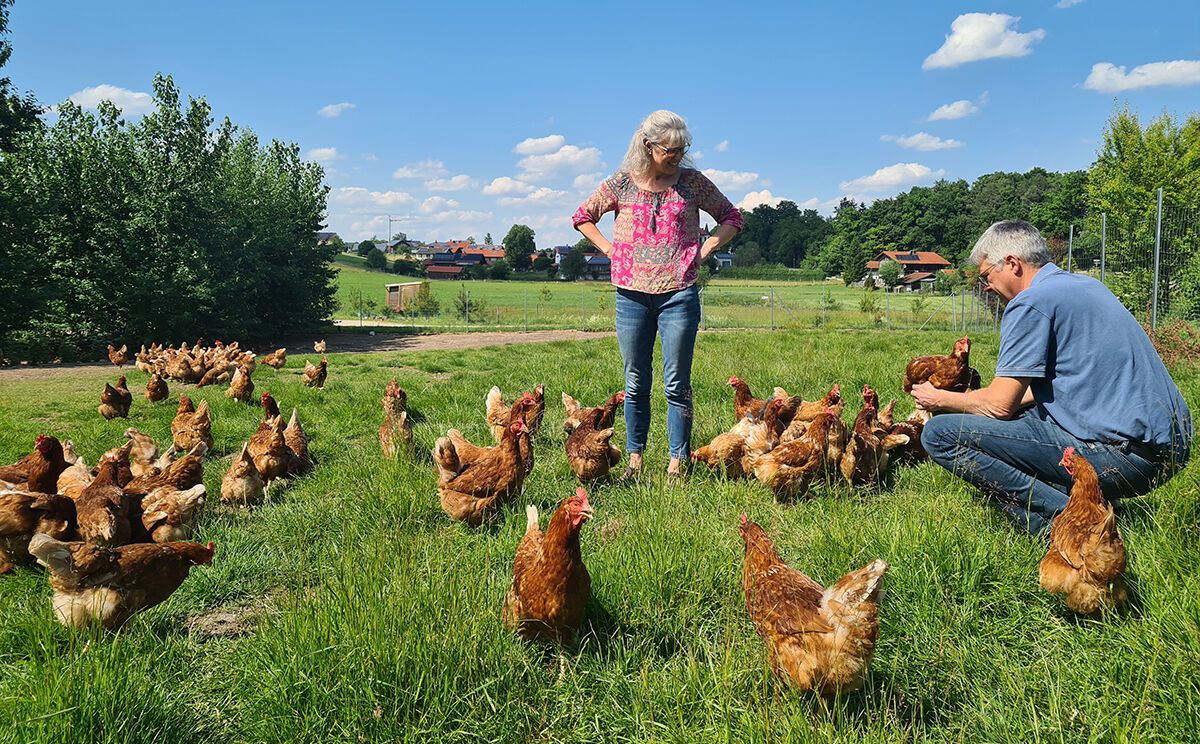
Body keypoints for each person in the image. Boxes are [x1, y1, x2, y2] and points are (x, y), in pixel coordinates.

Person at [913, 220, 1192, 535]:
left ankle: (1072, 525)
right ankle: (1099, 506)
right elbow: (1060, 383)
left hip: (1126, 457)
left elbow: (1000, 405)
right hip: (1170, 450)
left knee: (940, 434)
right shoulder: (1086, 286)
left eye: (986, 275)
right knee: (1022, 416)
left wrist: (938, 398)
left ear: (1013, 264)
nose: (986, 286)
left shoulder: (1030, 302)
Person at [572, 110, 743, 482]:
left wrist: (708, 247)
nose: (677, 156)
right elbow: (582, 216)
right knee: (635, 382)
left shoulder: (693, 183)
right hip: (631, 296)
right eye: (670, 150)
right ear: (648, 146)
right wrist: (609, 249)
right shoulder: (621, 183)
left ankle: (677, 463)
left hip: (679, 294)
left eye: (682, 149)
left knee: (676, 384)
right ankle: (634, 460)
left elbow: (732, 216)